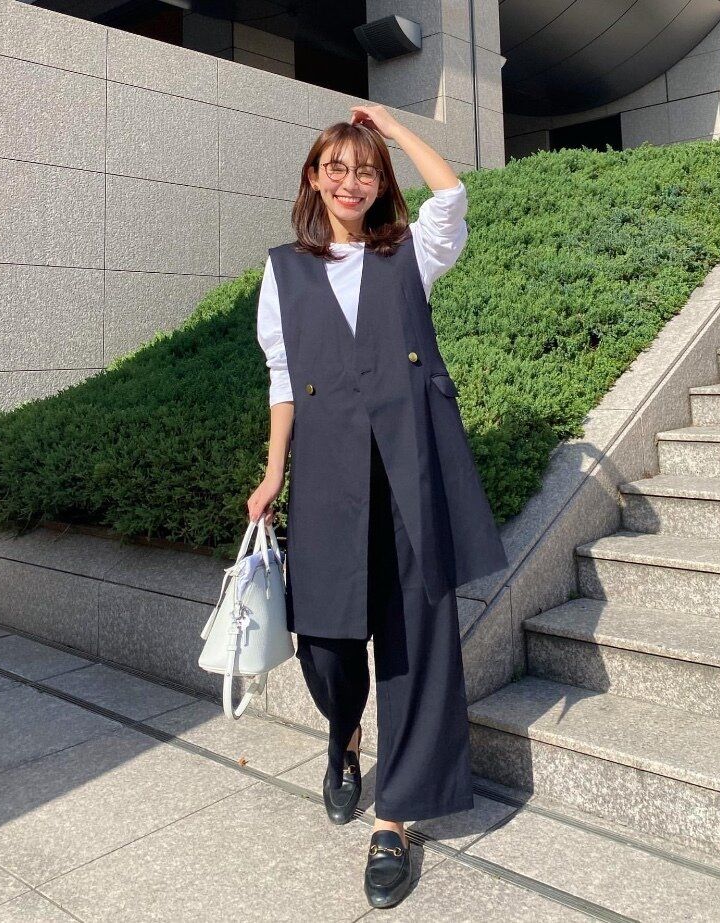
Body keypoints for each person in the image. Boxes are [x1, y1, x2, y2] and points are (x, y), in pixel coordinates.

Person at [248, 104, 508, 909]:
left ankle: (393, 818)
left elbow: (451, 195)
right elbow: (282, 379)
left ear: (380, 181)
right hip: (328, 473)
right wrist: (273, 472)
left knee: (416, 641)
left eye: (365, 170)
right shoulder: (284, 271)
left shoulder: (409, 255)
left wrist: (392, 128)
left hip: (409, 471)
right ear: (313, 178)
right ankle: (344, 733)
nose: (351, 181)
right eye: (337, 167)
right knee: (326, 644)